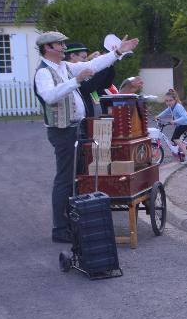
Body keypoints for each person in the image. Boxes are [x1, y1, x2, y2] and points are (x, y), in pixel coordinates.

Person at [33, 31, 138, 243]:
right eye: (59, 44)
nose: (64, 47)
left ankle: (72, 220)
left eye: (63, 43)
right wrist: (76, 81)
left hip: (76, 127)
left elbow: (96, 65)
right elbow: (50, 96)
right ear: (48, 48)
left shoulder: (64, 67)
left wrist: (117, 52)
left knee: (76, 176)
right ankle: (60, 228)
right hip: (62, 131)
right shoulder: (43, 72)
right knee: (65, 177)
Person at [154, 88, 187, 161]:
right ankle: (181, 152)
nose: (168, 102)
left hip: (185, 124)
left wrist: (175, 121)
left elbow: (185, 117)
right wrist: (158, 116)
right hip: (180, 124)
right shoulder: (171, 107)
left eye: (170, 100)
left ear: (175, 100)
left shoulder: (178, 107)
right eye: (166, 101)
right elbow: (165, 112)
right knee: (174, 139)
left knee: (176, 138)